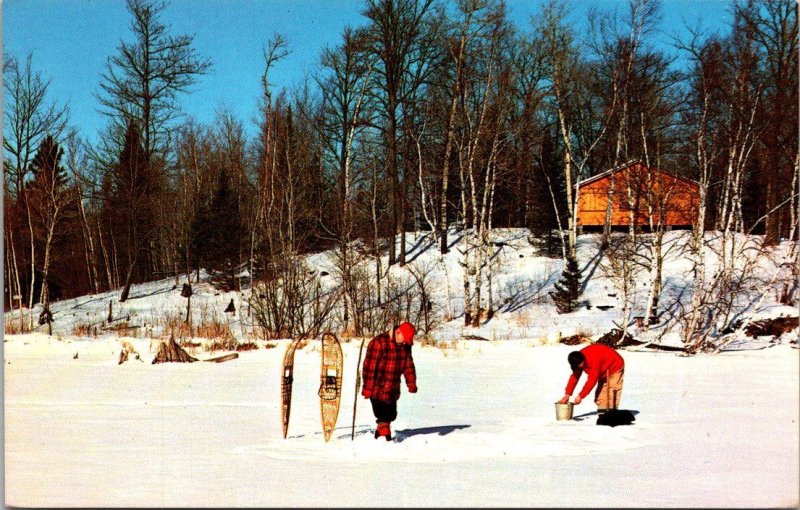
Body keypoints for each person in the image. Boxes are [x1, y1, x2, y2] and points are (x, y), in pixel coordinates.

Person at [361, 321, 418, 441]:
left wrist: (411, 383)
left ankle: (380, 433)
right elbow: (369, 368)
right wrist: (367, 388)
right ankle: (383, 438)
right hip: (377, 388)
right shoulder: (379, 342)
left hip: (393, 388)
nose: (404, 342)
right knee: (382, 415)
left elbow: (408, 365)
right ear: (398, 332)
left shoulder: (405, 346)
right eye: (404, 339)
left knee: (391, 415)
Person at [557, 343, 624, 413]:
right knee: (600, 397)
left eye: (579, 366)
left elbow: (592, 380)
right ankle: (603, 415)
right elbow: (574, 377)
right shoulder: (577, 360)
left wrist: (581, 396)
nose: (579, 368)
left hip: (615, 366)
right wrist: (567, 395)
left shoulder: (594, 360)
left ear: (583, 361)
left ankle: (611, 416)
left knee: (611, 394)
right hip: (603, 371)